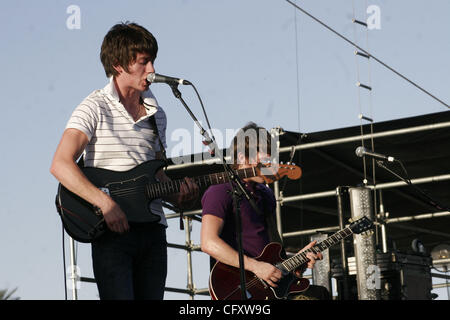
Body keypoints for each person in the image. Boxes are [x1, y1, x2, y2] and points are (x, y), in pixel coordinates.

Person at [50, 22, 199, 300]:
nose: (152, 69)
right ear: (118, 65)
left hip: (153, 230)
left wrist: (179, 196)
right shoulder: (94, 106)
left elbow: (156, 173)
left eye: (152, 61)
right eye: (144, 62)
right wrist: (105, 204)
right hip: (112, 233)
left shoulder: (158, 114)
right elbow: (60, 164)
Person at [200, 122, 330, 300]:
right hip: (238, 287)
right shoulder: (220, 191)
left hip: (268, 288)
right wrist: (255, 267)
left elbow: (271, 252)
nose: (271, 165)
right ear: (242, 158)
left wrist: (297, 261)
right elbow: (208, 242)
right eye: (265, 160)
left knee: (318, 295)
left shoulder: (266, 195)